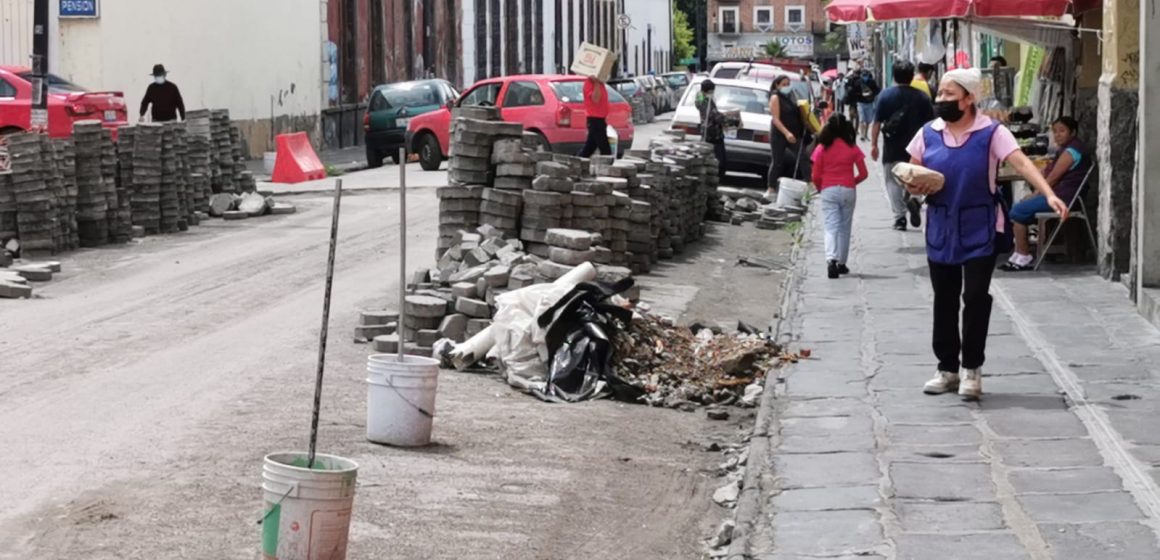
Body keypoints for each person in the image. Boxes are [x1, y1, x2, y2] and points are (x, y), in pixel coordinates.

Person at [904, 68, 1068, 400]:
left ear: (969, 98)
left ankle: (971, 370)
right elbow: (910, 169)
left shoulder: (991, 132)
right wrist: (913, 185)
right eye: (940, 94)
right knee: (944, 299)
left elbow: (1021, 163)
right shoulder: (928, 132)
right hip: (941, 224)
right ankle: (947, 368)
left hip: (980, 225)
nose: (941, 100)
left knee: (976, 297)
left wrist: (1047, 193)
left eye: (949, 95)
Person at [1000, 116, 1092, 271]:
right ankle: (1018, 253)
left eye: (1062, 131)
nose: (1057, 135)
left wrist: (1035, 193)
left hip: (1064, 198)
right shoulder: (1066, 149)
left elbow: (1052, 179)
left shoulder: (1071, 151)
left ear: (1073, 132)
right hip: (1062, 195)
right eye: (1055, 131)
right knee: (1021, 207)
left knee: (1018, 210)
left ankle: (1023, 255)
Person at [872, 60, 935, 231]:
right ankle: (915, 198)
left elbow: (877, 122)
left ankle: (899, 217)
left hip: (892, 146)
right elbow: (932, 124)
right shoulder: (923, 97)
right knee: (915, 177)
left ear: (894, 75)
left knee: (892, 181)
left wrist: (873, 145)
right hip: (917, 148)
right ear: (911, 76)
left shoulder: (885, 96)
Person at [811, 113, 868, 279]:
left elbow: (815, 175)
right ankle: (842, 263)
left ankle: (831, 260)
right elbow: (864, 173)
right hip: (848, 190)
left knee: (830, 226)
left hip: (828, 189)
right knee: (845, 228)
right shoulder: (852, 148)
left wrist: (820, 187)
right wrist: (851, 182)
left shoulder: (822, 148)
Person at [767, 75, 810, 190]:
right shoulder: (775, 97)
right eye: (784, 85)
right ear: (777, 85)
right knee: (777, 162)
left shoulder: (791, 96)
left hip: (794, 133)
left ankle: (810, 184)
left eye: (788, 84)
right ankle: (771, 187)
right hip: (779, 134)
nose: (786, 87)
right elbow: (775, 119)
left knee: (803, 157)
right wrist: (786, 133)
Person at [695, 79, 727, 179]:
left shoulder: (701, 99)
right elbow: (714, 116)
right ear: (708, 91)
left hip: (708, 132)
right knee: (719, 159)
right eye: (712, 91)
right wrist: (728, 119)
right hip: (712, 134)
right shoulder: (705, 102)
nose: (713, 93)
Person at [578, 75, 612, 157]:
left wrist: (599, 82)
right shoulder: (589, 83)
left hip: (600, 119)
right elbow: (596, 99)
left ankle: (576, 163)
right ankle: (607, 167)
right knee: (605, 150)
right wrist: (596, 83)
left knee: (589, 148)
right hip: (595, 120)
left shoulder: (600, 83)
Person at [855, 68, 881, 141]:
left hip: (869, 103)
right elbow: (854, 92)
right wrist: (860, 94)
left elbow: (877, 90)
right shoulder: (858, 82)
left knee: (868, 120)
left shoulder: (872, 82)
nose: (865, 77)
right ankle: (862, 135)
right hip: (860, 103)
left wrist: (871, 93)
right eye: (863, 75)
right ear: (861, 75)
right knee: (861, 119)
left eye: (866, 75)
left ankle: (866, 135)